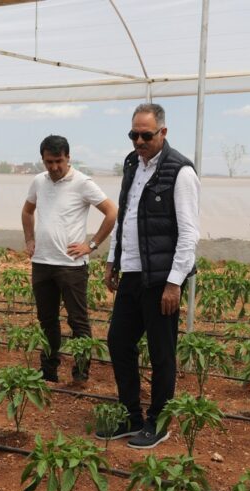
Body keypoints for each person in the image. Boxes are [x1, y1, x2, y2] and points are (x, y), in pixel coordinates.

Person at [98, 103, 200, 449]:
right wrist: (113, 260)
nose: (139, 141)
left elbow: (188, 234)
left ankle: (159, 421)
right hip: (132, 273)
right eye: (134, 135)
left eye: (146, 135)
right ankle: (131, 416)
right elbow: (125, 215)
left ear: (163, 132)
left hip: (160, 279)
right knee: (119, 341)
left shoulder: (180, 172)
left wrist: (174, 283)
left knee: (161, 353)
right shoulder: (132, 165)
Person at [21, 135, 117, 384]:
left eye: (59, 161)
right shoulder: (38, 181)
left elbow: (111, 212)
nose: (54, 167)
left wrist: (92, 245)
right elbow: (27, 210)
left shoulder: (83, 182)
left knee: (78, 320)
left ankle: (81, 373)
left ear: (68, 158)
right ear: (42, 159)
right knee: (47, 320)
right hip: (42, 263)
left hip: (71, 266)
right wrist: (29, 239)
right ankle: (48, 371)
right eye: (49, 162)